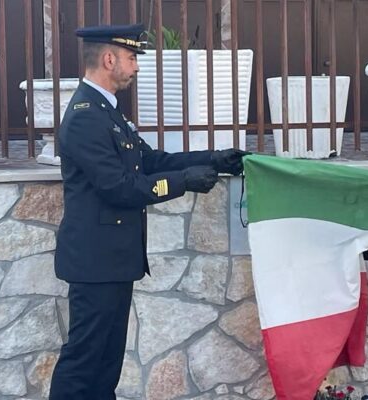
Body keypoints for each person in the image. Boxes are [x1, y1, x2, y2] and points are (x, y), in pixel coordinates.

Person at [49, 23, 249, 400]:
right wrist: (183, 182)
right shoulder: (86, 117)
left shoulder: (107, 113)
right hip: (95, 262)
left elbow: (151, 160)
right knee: (84, 361)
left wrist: (213, 158)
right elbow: (119, 188)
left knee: (106, 362)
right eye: (130, 57)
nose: (136, 66)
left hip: (113, 260)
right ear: (109, 59)